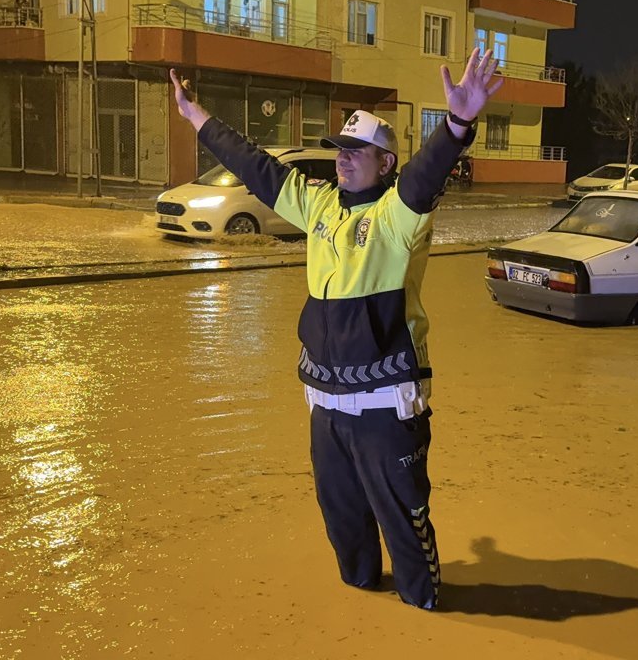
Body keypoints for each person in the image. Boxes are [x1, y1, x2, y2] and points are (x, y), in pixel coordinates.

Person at [169, 49, 502, 610]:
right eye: (340, 150)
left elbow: (425, 178)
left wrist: (456, 125)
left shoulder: (400, 215)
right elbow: (258, 167)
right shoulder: (318, 204)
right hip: (326, 404)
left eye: (357, 152)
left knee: (403, 516)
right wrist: (196, 116)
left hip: (384, 403)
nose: (343, 160)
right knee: (343, 522)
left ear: (387, 163)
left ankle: (425, 607)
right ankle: (362, 593)